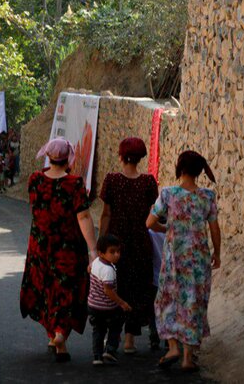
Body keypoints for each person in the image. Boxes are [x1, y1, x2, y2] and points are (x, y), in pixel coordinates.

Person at [20, 138, 98, 363]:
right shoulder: (74, 184)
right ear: (68, 159)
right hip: (68, 247)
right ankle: (60, 333)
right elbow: (83, 216)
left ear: (49, 156)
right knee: (67, 289)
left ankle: (53, 333)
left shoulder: (35, 180)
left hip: (40, 246)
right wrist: (93, 250)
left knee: (46, 288)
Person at [146, 150, 221, 372]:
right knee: (193, 304)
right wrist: (218, 253)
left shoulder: (168, 194)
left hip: (174, 261)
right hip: (198, 262)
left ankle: (172, 347)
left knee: (166, 301)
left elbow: (149, 223)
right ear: (199, 171)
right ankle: (189, 357)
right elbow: (214, 229)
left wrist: (166, 228)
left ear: (180, 168)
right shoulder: (207, 196)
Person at [98, 137, 159, 354]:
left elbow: (106, 214)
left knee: (116, 287)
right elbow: (152, 214)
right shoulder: (149, 182)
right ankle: (129, 340)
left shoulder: (112, 180)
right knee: (136, 289)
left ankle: (111, 338)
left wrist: (101, 245)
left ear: (121, 155)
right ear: (141, 157)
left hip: (116, 245)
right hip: (141, 244)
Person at [89, 234, 132, 366]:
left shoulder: (96, 262)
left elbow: (89, 269)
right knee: (116, 326)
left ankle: (97, 356)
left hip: (93, 305)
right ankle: (110, 350)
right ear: (102, 253)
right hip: (107, 307)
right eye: (112, 252)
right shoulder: (108, 270)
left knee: (98, 330)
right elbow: (108, 291)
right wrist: (122, 303)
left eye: (118, 251)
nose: (116, 255)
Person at [148, 227, 166, 351]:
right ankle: (169, 341)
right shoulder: (173, 231)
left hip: (154, 277)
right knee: (169, 309)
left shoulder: (149, 232)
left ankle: (154, 337)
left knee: (153, 309)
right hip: (170, 278)